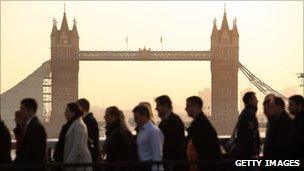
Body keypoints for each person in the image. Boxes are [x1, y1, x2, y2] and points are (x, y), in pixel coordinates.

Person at [185, 96, 221, 171]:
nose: (186, 109)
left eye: (188, 106)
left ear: (196, 106)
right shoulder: (201, 122)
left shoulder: (200, 124)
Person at [54, 103, 92, 171]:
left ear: (74, 113)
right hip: (71, 162)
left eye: (67, 111)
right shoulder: (70, 124)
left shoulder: (79, 126)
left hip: (77, 163)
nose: (65, 113)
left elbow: (77, 147)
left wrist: (68, 164)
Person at [155, 95, 187, 171]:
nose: (156, 108)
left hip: (172, 162)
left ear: (165, 105)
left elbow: (175, 143)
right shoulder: (169, 120)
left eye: (158, 105)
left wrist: (172, 161)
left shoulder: (173, 121)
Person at [14, 98, 47, 164]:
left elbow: (36, 154)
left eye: (22, 109)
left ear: (31, 110)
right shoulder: (29, 125)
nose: (20, 111)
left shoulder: (37, 128)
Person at [133, 104, 164, 171]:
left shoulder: (153, 131)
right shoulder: (142, 131)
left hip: (150, 166)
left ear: (144, 116)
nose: (135, 120)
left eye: (136, 117)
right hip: (144, 166)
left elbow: (157, 153)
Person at [233, 92, 260, 158]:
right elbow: (250, 134)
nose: (257, 100)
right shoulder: (250, 114)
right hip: (248, 154)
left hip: (243, 153)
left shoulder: (244, 113)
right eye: (255, 98)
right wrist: (253, 153)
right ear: (250, 101)